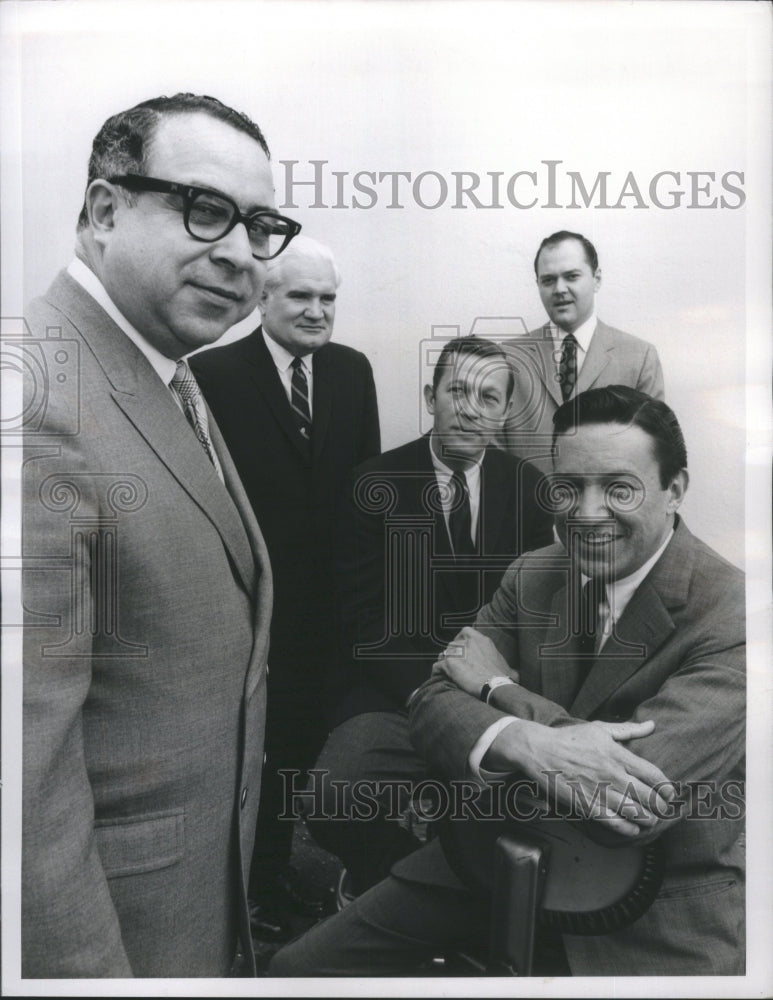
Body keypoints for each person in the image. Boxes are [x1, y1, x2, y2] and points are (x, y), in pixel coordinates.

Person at [268, 386, 745, 977]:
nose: (587, 513)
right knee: (296, 972)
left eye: (619, 488)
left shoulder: (735, 612)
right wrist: (527, 743)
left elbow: (624, 803)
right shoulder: (536, 572)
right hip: (493, 853)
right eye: (569, 488)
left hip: (649, 909)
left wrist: (498, 691)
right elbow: (434, 702)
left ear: (675, 490)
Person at [21, 93, 303, 977]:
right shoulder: (35, 405)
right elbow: (21, 796)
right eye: (204, 208)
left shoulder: (163, 371)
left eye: (258, 226)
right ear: (104, 210)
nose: (236, 254)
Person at [304, 336, 554, 896]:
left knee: (521, 812)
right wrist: (441, 695)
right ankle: (392, 880)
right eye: (457, 390)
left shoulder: (530, 489)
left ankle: (457, 896)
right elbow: (365, 620)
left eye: (488, 397)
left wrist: (492, 696)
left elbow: (536, 618)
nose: (470, 408)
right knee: (332, 796)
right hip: (398, 693)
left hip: (497, 694)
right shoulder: (374, 484)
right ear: (429, 396)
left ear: (506, 411)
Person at [191, 236, 380, 939]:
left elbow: (366, 494)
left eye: (327, 298)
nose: (316, 310)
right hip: (240, 604)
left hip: (321, 613)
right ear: (263, 298)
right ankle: (224, 893)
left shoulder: (350, 371)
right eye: (300, 295)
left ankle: (267, 880)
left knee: (296, 750)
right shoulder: (209, 373)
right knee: (235, 748)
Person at [499, 231, 665, 470]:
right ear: (538, 284)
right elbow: (491, 453)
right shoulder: (508, 358)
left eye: (571, 276)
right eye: (548, 280)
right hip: (526, 505)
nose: (559, 289)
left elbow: (652, 453)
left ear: (596, 279)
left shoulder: (639, 358)